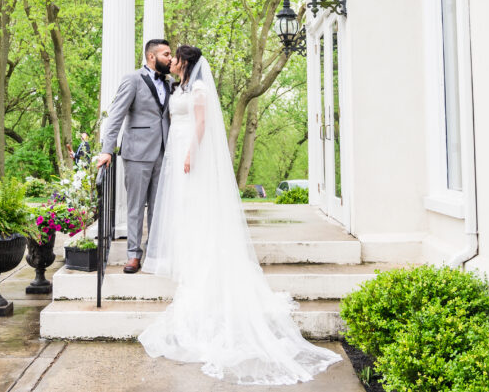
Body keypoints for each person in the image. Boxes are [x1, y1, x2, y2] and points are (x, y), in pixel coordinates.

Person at [139, 45, 341, 385]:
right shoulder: (180, 88)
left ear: (185, 63)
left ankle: (205, 269)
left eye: (175, 59)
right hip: (176, 155)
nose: (170, 62)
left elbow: (201, 125)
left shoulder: (200, 89)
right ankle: (191, 262)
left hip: (192, 155)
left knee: (198, 211)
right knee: (183, 213)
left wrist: (190, 154)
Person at [99, 39, 173, 274]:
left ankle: (153, 251)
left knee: (158, 207)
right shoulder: (132, 80)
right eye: (166, 54)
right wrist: (106, 150)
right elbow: (116, 116)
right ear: (152, 57)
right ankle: (133, 254)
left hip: (163, 152)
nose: (170, 58)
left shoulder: (170, 83)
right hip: (137, 154)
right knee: (135, 207)